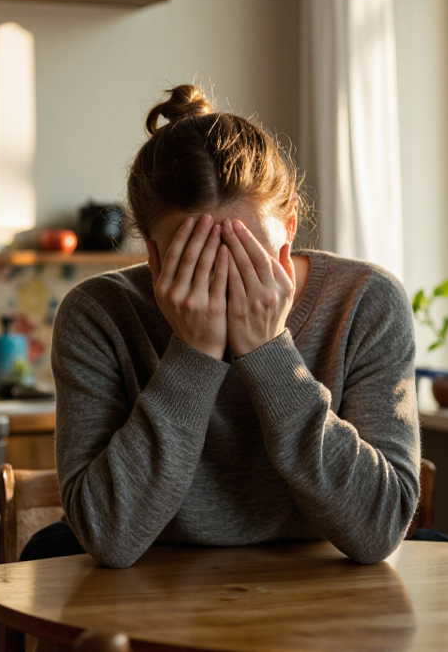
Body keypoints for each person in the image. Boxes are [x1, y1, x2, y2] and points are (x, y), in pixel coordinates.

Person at [26, 84, 421, 568]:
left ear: (290, 230)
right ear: (152, 253)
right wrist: (192, 354)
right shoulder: (98, 314)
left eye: (248, 252)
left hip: (320, 576)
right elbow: (110, 537)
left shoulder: (366, 303)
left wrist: (271, 352)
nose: (226, 276)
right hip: (150, 580)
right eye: (197, 257)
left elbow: (378, 530)